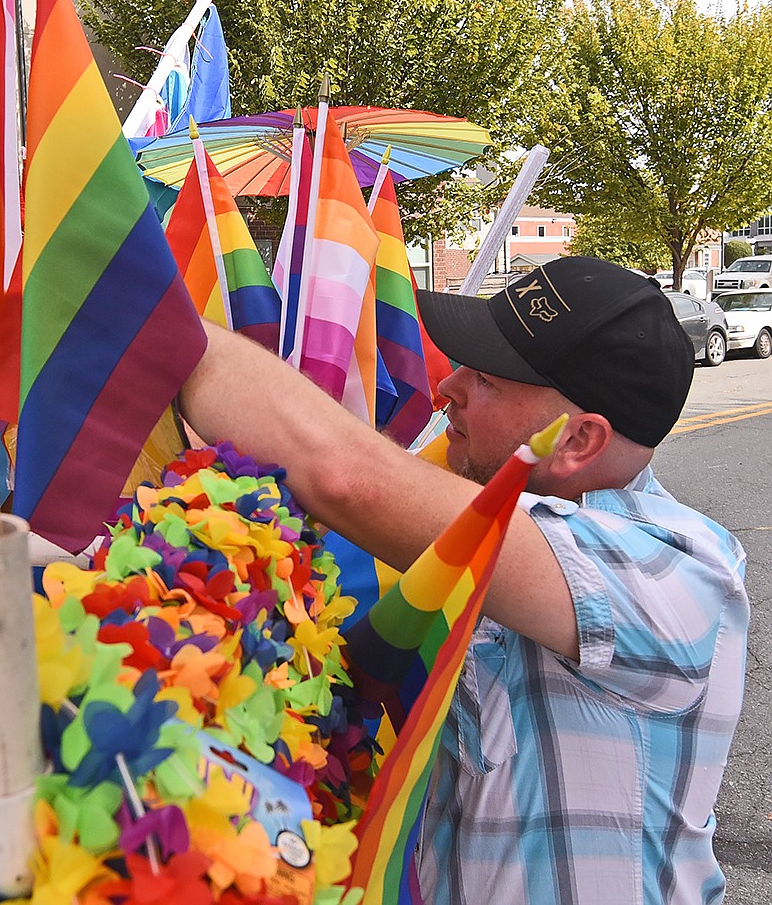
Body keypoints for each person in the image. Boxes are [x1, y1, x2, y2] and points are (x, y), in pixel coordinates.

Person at [178, 256, 749, 905]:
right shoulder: (510, 524)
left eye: (486, 379)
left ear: (579, 441)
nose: (447, 385)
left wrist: (160, 323)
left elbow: (347, 480)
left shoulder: (676, 567)